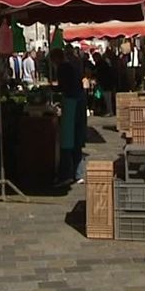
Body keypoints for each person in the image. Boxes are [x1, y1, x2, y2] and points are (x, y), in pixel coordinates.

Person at [51, 48, 85, 187]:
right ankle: (78, 174)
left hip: (71, 105)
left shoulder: (63, 68)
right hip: (79, 103)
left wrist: (52, 89)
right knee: (77, 141)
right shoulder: (73, 65)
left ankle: (65, 175)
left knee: (66, 142)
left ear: (56, 59)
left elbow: (63, 87)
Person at [94, 52, 115, 117]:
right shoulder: (104, 63)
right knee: (106, 97)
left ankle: (109, 111)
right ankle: (109, 110)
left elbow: (99, 74)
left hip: (105, 84)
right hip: (107, 83)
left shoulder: (100, 64)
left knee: (106, 97)